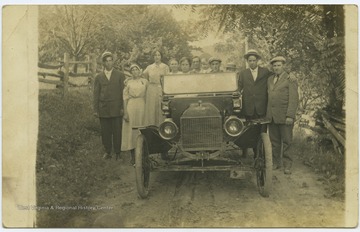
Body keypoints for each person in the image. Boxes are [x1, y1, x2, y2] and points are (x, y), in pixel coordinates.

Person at [266, 56, 299, 175]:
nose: (276, 68)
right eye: (274, 66)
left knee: (287, 141)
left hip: (285, 117)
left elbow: (294, 99)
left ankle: (287, 165)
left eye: (279, 65)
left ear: (283, 66)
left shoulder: (291, 79)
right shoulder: (270, 79)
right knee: (274, 141)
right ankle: (276, 163)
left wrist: (290, 115)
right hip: (272, 117)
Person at [238, 50, 272, 158]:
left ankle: (258, 154)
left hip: (261, 107)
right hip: (248, 107)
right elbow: (238, 88)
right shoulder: (243, 73)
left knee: (261, 131)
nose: (252, 62)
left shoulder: (265, 72)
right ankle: (245, 151)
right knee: (247, 131)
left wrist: (290, 75)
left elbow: (277, 74)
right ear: (247, 62)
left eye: (254, 60)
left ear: (257, 60)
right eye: (250, 61)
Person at [93, 52, 125, 160]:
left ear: (113, 62)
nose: (108, 63)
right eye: (106, 61)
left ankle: (118, 153)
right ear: (103, 63)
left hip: (116, 108)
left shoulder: (120, 75)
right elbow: (96, 94)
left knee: (117, 131)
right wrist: (96, 109)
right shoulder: (99, 77)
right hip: (104, 108)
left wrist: (122, 107)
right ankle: (107, 151)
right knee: (105, 132)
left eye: (110, 60)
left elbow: (123, 93)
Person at [122, 64, 148, 165]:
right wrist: (125, 112)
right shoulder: (128, 82)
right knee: (131, 130)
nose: (134, 71)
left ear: (139, 71)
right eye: (132, 70)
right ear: (130, 72)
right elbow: (125, 98)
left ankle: (143, 155)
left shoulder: (145, 81)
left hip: (142, 106)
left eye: (136, 69)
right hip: (131, 106)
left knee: (142, 129)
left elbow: (149, 94)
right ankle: (133, 156)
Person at [143, 50, 169, 126]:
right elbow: (144, 77)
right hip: (151, 89)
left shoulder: (165, 67)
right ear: (153, 57)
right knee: (151, 109)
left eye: (158, 55)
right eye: (155, 55)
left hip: (161, 88)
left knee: (161, 108)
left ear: (161, 56)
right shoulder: (149, 67)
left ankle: (161, 127)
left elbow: (167, 79)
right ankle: (151, 127)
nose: (157, 57)